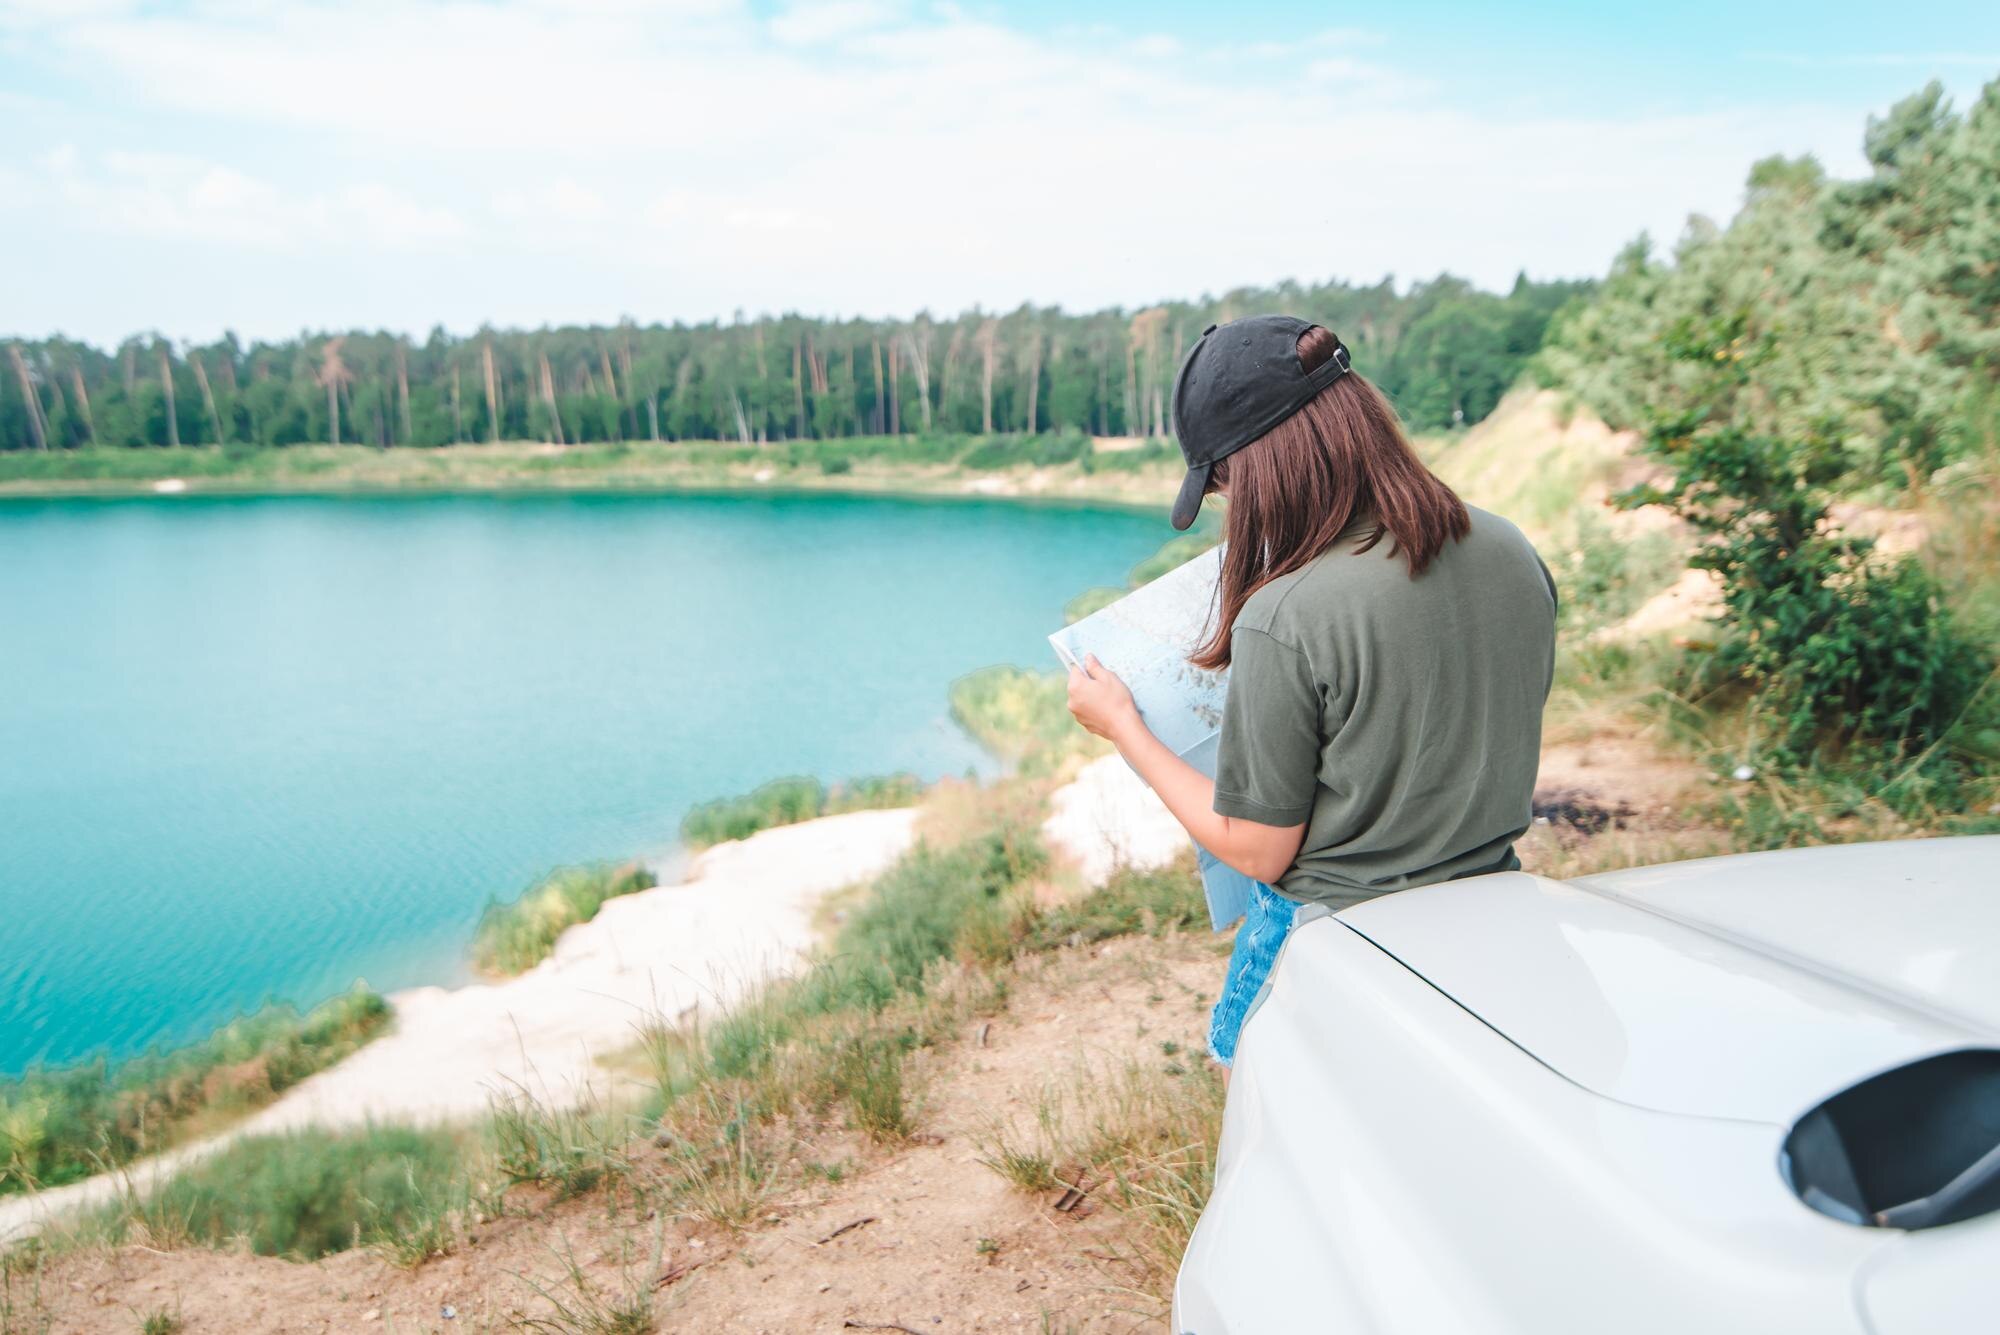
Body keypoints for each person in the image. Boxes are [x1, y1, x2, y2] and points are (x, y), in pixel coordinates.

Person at [1064, 315, 1557, 1073]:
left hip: (1333, 935)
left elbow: (1257, 849)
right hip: (1490, 906)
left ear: (1263, 466)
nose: (1231, 506)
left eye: (1224, 485)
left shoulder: (1287, 615)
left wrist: (1126, 727)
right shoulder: (1508, 546)